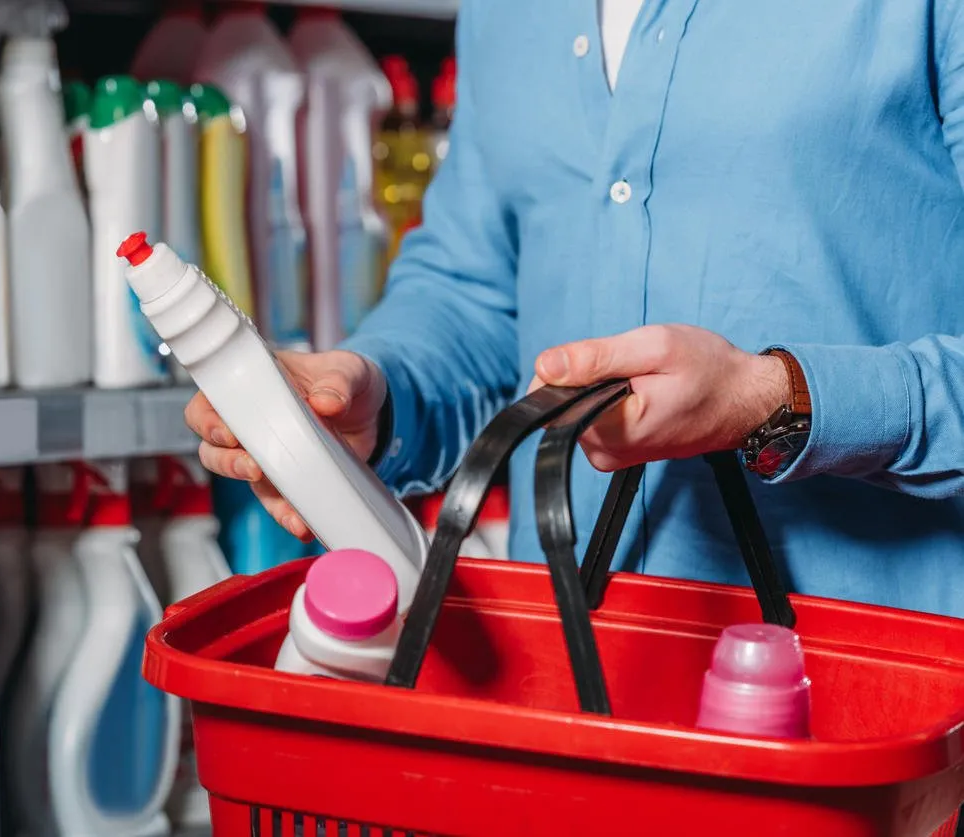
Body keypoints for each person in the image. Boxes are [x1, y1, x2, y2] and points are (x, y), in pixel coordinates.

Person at [186, 0, 964, 620]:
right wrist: (377, 391)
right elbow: (475, 285)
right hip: (577, 673)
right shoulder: (508, 13)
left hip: (880, 706)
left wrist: (775, 401)